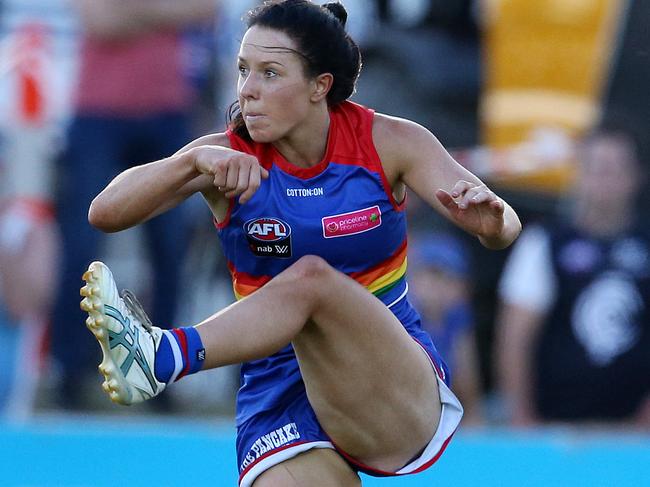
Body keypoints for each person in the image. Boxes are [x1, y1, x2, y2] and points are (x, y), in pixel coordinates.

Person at [80, 1, 521, 485]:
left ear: (320, 85)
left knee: (312, 279)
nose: (248, 90)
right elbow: (104, 213)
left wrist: (491, 223)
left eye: (270, 73)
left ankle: (162, 356)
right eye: (244, 70)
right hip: (276, 392)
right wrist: (190, 164)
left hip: (388, 378)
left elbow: (504, 228)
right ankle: (160, 358)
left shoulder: (390, 141)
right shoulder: (225, 156)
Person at [50, 0, 216, 408]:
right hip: (98, 112)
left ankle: (162, 371)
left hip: (166, 111)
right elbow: (97, 21)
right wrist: (164, 14)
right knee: (80, 245)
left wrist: (129, 12)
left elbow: (207, 10)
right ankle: (71, 373)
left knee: (171, 249)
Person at [495, 124, 650, 428]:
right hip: (554, 429)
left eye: (615, 169)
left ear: (637, 177)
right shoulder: (544, 242)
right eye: (595, 168)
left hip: (637, 433)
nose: (604, 180)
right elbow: (515, 337)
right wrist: (521, 417)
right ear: (578, 174)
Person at [408, 232, 484, 425]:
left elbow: (466, 383)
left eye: (445, 278)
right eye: (429, 277)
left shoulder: (458, 318)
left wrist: (473, 416)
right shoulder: (404, 320)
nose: (436, 288)